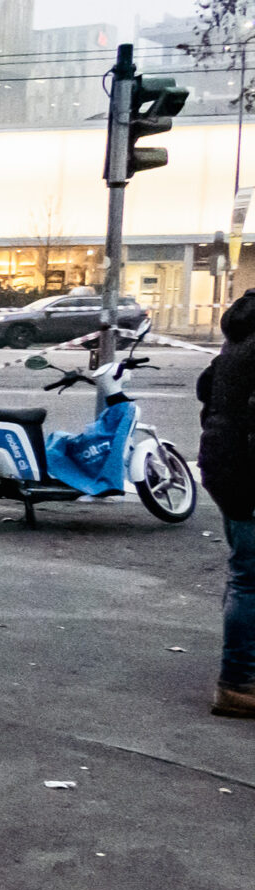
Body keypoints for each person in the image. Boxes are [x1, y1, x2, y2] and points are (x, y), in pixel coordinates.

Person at [197, 290, 255, 716]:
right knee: (250, 580)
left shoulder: (239, 335)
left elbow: (206, 386)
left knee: (245, 574)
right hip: (247, 473)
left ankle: (240, 673)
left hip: (226, 466)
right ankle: (238, 682)